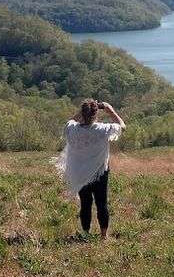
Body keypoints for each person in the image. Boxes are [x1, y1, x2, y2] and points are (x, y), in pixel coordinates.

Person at [54, 98, 125, 238]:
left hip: (80, 173)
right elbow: (122, 126)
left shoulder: (73, 129)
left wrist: (81, 111)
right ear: (96, 114)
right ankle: (103, 236)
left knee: (85, 204)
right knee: (101, 203)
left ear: (82, 113)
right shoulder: (103, 129)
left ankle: (86, 234)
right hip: (100, 172)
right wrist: (109, 109)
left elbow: (69, 121)